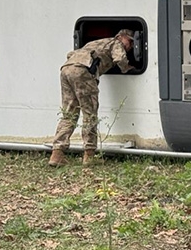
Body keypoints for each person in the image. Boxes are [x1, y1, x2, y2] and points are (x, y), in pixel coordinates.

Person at [48, 30, 135, 167]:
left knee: (69, 113)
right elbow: (119, 58)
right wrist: (127, 68)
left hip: (66, 69)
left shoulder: (95, 43)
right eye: (129, 41)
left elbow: (71, 54)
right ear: (120, 37)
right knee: (89, 114)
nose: (130, 45)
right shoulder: (115, 42)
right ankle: (89, 155)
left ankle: (57, 153)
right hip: (83, 71)